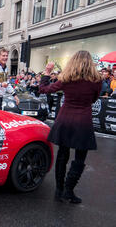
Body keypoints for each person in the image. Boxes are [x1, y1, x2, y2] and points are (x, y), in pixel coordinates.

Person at [39, 51, 102, 204]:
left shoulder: (66, 79)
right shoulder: (96, 80)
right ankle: (69, 190)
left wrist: (46, 73)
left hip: (65, 119)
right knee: (80, 158)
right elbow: (94, 99)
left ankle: (59, 190)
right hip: (83, 122)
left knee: (62, 154)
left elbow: (44, 89)